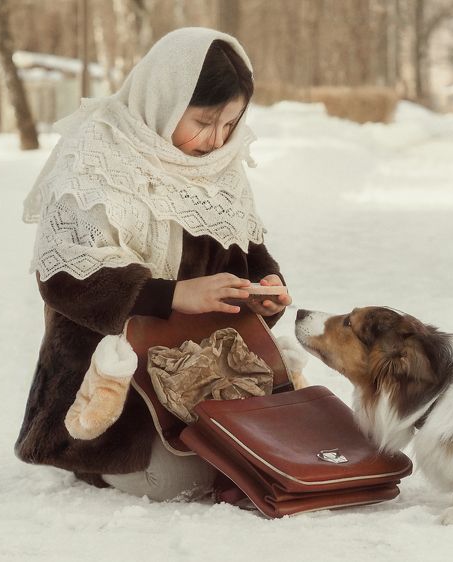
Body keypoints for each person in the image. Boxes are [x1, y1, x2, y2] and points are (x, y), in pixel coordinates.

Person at [15, 28, 291, 501]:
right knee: (183, 479)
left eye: (230, 125)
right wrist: (173, 294)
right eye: (204, 122)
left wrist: (266, 289)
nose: (216, 139)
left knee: (273, 455)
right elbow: (63, 277)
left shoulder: (219, 162)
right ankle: (85, 459)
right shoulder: (98, 154)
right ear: (165, 96)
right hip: (110, 380)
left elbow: (244, 247)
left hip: (201, 370)